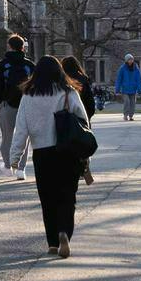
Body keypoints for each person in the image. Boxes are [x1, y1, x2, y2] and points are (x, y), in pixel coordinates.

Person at [8, 56, 87, 258]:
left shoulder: (28, 96)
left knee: (48, 198)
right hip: (67, 151)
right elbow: (83, 121)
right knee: (67, 196)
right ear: (59, 72)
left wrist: (15, 157)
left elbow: (21, 129)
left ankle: (52, 242)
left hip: (42, 153)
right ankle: (64, 233)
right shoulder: (68, 93)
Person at [0, 35, 34, 168]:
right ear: (23, 47)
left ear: (9, 46)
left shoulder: (1, 65)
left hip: (6, 104)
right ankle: (21, 168)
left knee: (7, 137)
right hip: (26, 105)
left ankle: (8, 165)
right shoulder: (29, 65)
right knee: (23, 137)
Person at [62, 54, 99, 186]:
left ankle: (72, 169)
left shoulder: (62, 80)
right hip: (83, 117)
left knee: (68, 143)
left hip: (66, 118)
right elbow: (89, 101)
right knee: (83, 143)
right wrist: (88, 116)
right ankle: (84, 167)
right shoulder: (83, 79)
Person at [117, 54, 141, 121]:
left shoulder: (136, 68)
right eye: (129, 59)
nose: (131, 61)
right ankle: (125, 115)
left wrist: (140, 90)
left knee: (132, 103)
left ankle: (131, 116)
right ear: (126, 60)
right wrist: (117, 90)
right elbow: (119, 79)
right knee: (127, 102)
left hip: (133, 89)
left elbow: (139, 79)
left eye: (132, 59)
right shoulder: (122, 68)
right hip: (125, 89)